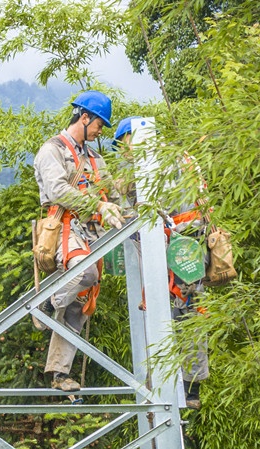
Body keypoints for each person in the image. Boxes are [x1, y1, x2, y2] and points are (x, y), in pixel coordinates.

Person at [114, 117, 209, 409]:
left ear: (133, 137)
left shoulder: (152, 162)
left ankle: (161, 382)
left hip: (172, 245)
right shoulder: (183, 157)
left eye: (122, 145)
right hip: (193, 246)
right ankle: (191, 387)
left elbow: (141, 209)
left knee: (165, 311)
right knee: (192, 312)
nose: (123, 153)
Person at [33, 90, 124, 392]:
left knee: (80, 302)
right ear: (84, 117)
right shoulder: (53, 150)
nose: (100, 131)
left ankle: (59, 374)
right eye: (99, 124)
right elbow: (58, 189)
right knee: (84, 273)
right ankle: (46, 302)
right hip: (65, 226)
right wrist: (98, 206)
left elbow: (112, 190)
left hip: (91, 233)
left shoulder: (95, 157)